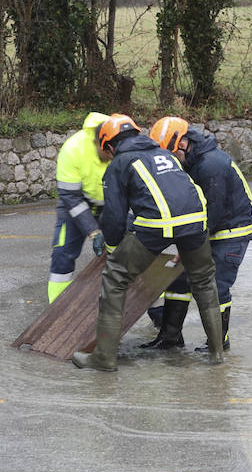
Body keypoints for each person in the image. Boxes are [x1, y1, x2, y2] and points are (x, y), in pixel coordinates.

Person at [72, 114, 226, 371]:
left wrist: (113, 251)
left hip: (159, 224)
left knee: (115, 278)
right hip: (196, 219)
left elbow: (114, 217)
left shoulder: (119, 164)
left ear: (109, 146)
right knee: (203, 281)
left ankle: (104, 358)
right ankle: (216, 354)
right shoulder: (164, 153)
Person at [139, 116, 252, 353]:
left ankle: (219, 343)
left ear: (182, 144)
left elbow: (213, 211)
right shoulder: (196, 161)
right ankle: (170, 337)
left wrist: (189, 245)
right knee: (179, 280)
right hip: (213, 228)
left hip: (231, 232)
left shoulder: (211, 165)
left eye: (172, 155)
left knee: (217, 284)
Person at [49, 112, 111, 301]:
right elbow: (69, 196)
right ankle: (55, 313)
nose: (110, 156)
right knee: (62, 255)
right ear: (97, 143)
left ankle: (158, 315)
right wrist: (94, 231)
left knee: (131, 256)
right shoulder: (73, 149)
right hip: (75, 206)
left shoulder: (120, 144)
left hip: (110, 208)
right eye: (107, 151)